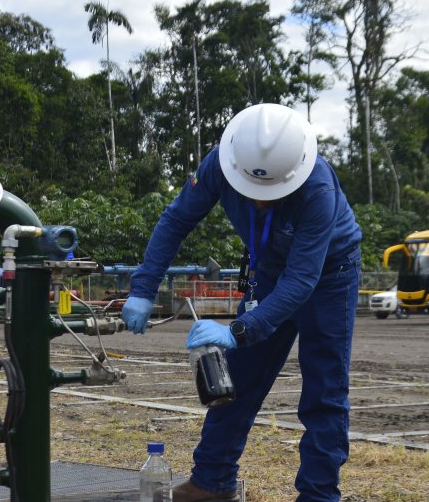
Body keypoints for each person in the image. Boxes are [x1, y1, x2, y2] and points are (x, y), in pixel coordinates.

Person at [121, 103, 362, 502]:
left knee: (324, 390)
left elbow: (302, 280)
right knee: (233, 381)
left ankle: (319, 495)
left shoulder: (317, 188)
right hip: (268, 270)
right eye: (254, 191)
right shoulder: (221, 162)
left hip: (330, 276)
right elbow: (176, 219)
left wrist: (238, 329)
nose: (262, 202)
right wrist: (144, 288)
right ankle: (211, 483)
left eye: (272, 194)